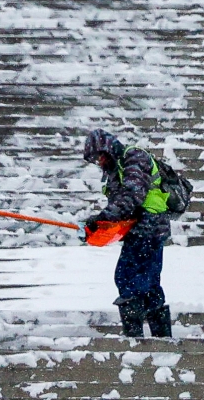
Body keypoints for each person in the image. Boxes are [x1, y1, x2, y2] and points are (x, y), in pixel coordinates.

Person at [80, 128, 173, 338]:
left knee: (126, 277)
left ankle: (135, 338)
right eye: (96, 160)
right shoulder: (116, 169)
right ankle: (162, 338)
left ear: (109, 148)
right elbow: (121, 206)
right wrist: (101, 224)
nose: (100, 162)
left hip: (148, 226)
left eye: (100, 156)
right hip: (143, 228)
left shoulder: (134, 157)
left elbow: (133, 194)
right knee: (148, 283)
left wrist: (104, 216)